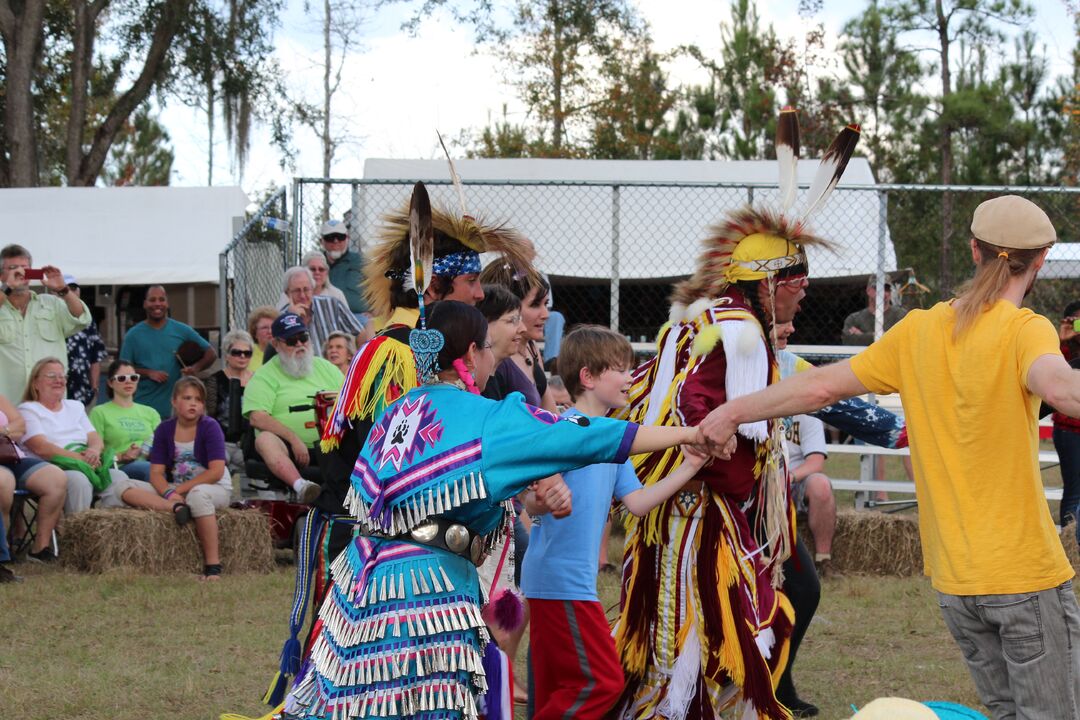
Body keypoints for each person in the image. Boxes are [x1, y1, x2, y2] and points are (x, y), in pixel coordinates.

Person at [700, 195, 1080, 719]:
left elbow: (817, 388)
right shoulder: (1026, 329)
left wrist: (730, 412)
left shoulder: (919, 330)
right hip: (1024, 579)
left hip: (955, 585)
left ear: (974, 251)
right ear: (1040, 260)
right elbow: (1061, 389)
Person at [276, 300, 716, 720]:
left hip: (360, 584)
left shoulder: (398, 411)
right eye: (487, 346)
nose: (493, 357)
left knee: (363, 700)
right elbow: (581, 434)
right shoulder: (486, 418)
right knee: (424, 700)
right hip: (425, 590)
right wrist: (688, 434)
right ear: (471, 352)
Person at [613, 114, 862, 719]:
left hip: (695, 511)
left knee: (710, 636)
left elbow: (676, 388)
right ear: (767, 283)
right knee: (698, 641)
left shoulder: (708, 318)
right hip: (700, 518)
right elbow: (698, 401)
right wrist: (712, 438)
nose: (804, 292)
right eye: (796, 282)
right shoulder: (741, 333)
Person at [523, 325, 715, 719]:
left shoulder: (612, 443)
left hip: (563, 582)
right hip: (560, 583)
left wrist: (690, 467)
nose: (631, 377)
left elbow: (638, 503)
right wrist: (697, 432)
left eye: (631, 368)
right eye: (619, 369)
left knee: (558, 684)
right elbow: (531, 498)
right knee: (603, 681)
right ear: (588, 378)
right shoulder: (574, 427)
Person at [243, 313, 344, 504]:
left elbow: (351, 402)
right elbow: (257, 418)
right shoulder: (264, 376)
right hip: (287, 447)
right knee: (264, 438)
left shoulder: (327, 368)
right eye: (291, 340)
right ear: (276, 344)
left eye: (303, 338)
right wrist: (293, 438)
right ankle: (302, 486)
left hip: (332, 443)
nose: (299, 344)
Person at [18, 357, 130, 519]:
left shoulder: (75, 406)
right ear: (35, 383)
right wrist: (81, 459)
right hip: (52, 468)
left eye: (62, 376)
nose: (58, 380)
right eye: (51, 376)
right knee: (78, 480)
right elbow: (41, 448)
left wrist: (93, 451)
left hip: (87, 462)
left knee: (119, 478)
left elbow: (94, 438)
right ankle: (75, 537)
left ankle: (106, 534)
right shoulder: (28, 409)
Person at [148, 378, 233, 580]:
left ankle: (213, 566)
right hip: (176, 490)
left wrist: (180, 490)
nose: (194, 403)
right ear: (174, 401)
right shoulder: (164, 429)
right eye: (187, 398)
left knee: (197, 494)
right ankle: (176, 508)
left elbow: (216, 471)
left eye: (198, 399)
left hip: (215, 488)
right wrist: (170, 493)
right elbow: (156, 473)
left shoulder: (210, 426)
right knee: (124, 486)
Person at [776, 321, 836, 574]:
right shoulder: (753, 404)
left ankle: (824, 559)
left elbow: (816, 462)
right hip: (763, 478)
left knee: (821, 484)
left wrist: (789, 477)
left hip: (795, 478)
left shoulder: (806, 408)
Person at [0, 244, 91, 403]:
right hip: (7, 406)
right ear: (1, 275)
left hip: (48, 405)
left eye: (24, 268)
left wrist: (63, 289)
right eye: (13, 268)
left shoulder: (51, 304)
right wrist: (7, 288)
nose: (20, 272)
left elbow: (82, 318)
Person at [119, 285, 216, 418]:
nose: (157, 303)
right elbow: (122, 372)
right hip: (142, 411)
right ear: (145, 304)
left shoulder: (181, 330)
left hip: (174, 413)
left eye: (161, 299)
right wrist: (148, 373)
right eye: (152, 300)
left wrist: (195, 368)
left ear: (167, 303)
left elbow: (211, 353)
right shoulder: (133, 335)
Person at [0, 392, 68, 564]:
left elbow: (20, 425)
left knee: (56, 478)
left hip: (11, 455)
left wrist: (4, 431)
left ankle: (40, 548)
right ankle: (4, 550)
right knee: (3, 483)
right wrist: (9, 431)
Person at [478, 261, 556, 411]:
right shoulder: (498, 359)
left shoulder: (530, 347)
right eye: (535, 305)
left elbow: (552, 415)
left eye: (546, 304)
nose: (546, 314)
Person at [89, 360, 161, 481]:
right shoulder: (99, 412)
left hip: (151, 463)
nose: (128, 381)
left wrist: (149, 452)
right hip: (118, 467)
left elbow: (163, 444)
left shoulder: (151, 412)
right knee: (150, 470)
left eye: (133, 378)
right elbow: (95, 454)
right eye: (121, 378)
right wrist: (122, 456)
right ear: (110, 383)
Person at [279, 266, 365, 352]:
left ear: (312, 289)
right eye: (297, 291)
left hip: (332, 364)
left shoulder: (332, 305)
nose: (302, 295)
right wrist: (293, 319)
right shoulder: (282, 319)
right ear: (287, 294)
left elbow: (361, 333)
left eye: (306, 289)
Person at [206, 330, 254, 478]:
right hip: (222, 443)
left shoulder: (259, 380)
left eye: (247, 353)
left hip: (250, 444)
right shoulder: (214, 380)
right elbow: (210, 416)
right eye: (237, 352)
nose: (242, 356)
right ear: (227, 354)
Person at [1053, 299, 1080, 528]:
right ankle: (1070, 539)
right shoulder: (1060, 348)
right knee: (1074, 489)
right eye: (1077, 321)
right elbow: (1056, 378)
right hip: (1069, 429)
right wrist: (1064, 342)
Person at [63, 275, 108, 409]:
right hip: (55, 388)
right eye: (65, 289)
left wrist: (94, 387)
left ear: (79, 292)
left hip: (82, 389)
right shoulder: (48, 317)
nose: (69, 293)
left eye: (73, 289)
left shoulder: (88, 321)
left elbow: (96, 355)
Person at [476, 284, 527, 400]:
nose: (523, 329)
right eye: (512, 320)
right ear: (485, 324)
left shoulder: (499, 379)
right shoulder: (469, 388)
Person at [319, 218, 369, 323]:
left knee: (368, 325)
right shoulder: (316, 264)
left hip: (358, 317)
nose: (336, 241)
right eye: (330, 237)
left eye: (340, 237)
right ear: (322, 241)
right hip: (324, 317)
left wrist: (375, 312)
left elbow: (379, 287)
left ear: (347, 238)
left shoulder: (360, 262)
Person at [842, 278, 907, 346]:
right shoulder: (854, 318)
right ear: (868, 290)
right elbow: (847, 340)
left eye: (886, 289)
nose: (883, 292)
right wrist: (882, 336)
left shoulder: (901, 315)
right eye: (878, 288)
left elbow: (903, 339)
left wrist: (863, 336)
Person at [247, 305, 278, 372]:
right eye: (264, 328)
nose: (270, 331)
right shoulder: (247, 353)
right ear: (255, 332)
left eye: (273, 327)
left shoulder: (284, 352)